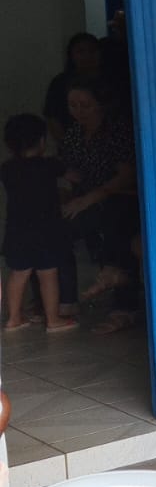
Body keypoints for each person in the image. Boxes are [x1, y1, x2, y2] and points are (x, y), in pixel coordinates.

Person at [57, 80, 138, 330]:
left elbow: (126, 176)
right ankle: (65, 300)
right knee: (56, 230)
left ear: (101, 105)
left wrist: (89, 198)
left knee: (116, 224)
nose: (78, 111)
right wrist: (67, 198)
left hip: (120, 197)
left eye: (85, 105)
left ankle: (123, 304)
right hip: (87, 199)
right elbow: (68, 174)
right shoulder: (73, 134)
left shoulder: (117, 131)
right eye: (73, 105)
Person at [2, 115, 71, 333]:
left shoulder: (7, 169)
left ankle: (14, 319)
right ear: (42, 141)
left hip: (16, 231)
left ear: (10, 144)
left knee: (18, 273)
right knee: (48, 274)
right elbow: (73, 175)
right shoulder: (50, 165)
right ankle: (53, 320)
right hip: (46, 231)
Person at [41, 33, 101, 145]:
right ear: (72, 55)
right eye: (81, 51)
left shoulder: (108, 81)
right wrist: (67, 145)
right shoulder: (60, 83)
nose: (87, 56)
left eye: (92, 51)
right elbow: (52, 117)